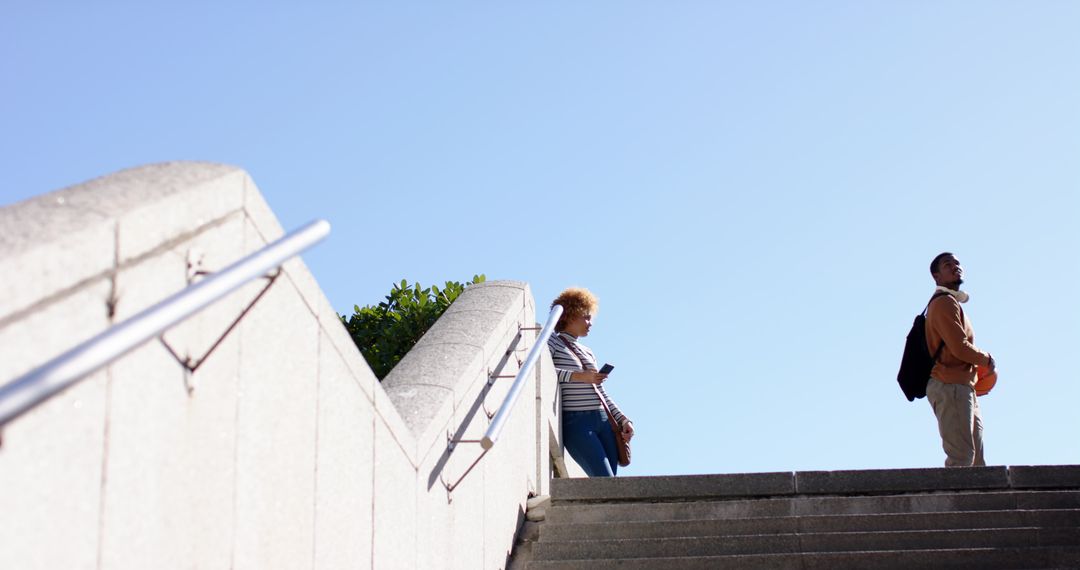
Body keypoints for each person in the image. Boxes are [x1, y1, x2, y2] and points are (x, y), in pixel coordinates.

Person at [547, 287, 634, 477]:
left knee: (611, 483)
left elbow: (600, 391)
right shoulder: (552, 342)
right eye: (585, 317)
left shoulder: (588, 351)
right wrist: (579, 376)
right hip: (577, 422)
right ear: (570, 315)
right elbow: (543, 371)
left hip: (603, 420)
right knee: (604, 480)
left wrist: (622, 419)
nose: (590, 323)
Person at [925, 252, 996, 467]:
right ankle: (954, 502)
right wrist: (987, 360)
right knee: (962, 459)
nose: (955, 266)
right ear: (937, 276)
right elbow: (959, 348)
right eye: (948, 264)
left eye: (957, 262)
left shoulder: (952, 303)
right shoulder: (944, 303)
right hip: (950, 385)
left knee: (977, 463)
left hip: (963, 386)